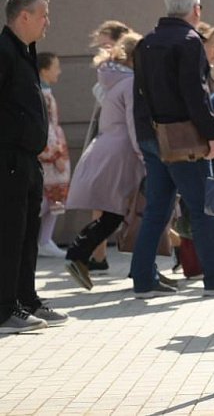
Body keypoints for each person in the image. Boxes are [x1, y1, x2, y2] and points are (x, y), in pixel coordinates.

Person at [131, 0, 214, 297]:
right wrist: (213, 133)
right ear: (195, 10)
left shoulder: (144, 43)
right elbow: (194, 96)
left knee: (157, 208)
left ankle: (143, 280)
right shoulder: (189, 41)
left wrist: (147, 136)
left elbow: (139, 96)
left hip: (152, 136)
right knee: (202, 208)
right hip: (185, 139)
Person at [1, 0, 68, 333]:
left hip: (28, 161)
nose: (48, 22)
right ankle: (4, 310)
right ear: (23, 16)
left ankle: (25, 300)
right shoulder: (5, 52)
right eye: (43, 14)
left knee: (27, 233)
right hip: (9, 160)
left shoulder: (25, 52)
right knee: (10, 234)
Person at [63, 33, 144, 290]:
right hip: (121, 153)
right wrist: (144, 155)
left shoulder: (113, 80)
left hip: (107, 147)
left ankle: (79, 255)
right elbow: (133, 124)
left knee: (114, 211)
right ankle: (77, 254)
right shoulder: (130, 82)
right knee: (118, 211)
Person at [82, 20, 135, 272]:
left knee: (134, 204)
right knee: (101, 198)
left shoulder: (125, 71)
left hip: (122, 139)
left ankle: (180, 243)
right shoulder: (108, 70)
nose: (102, 48)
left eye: (106, 43)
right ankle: (98, 255)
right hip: (107, 136)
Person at [36, 52, 71, 258]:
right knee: (49, 198)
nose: (58, 71)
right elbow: (45, 126)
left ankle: (44, 240)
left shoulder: (44, 91)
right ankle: (43, 239)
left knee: (51, 199)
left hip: (52, 147)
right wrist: (53, 154)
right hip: (50, 152)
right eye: (55, 66)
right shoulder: (43, 93)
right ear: (43, 69)